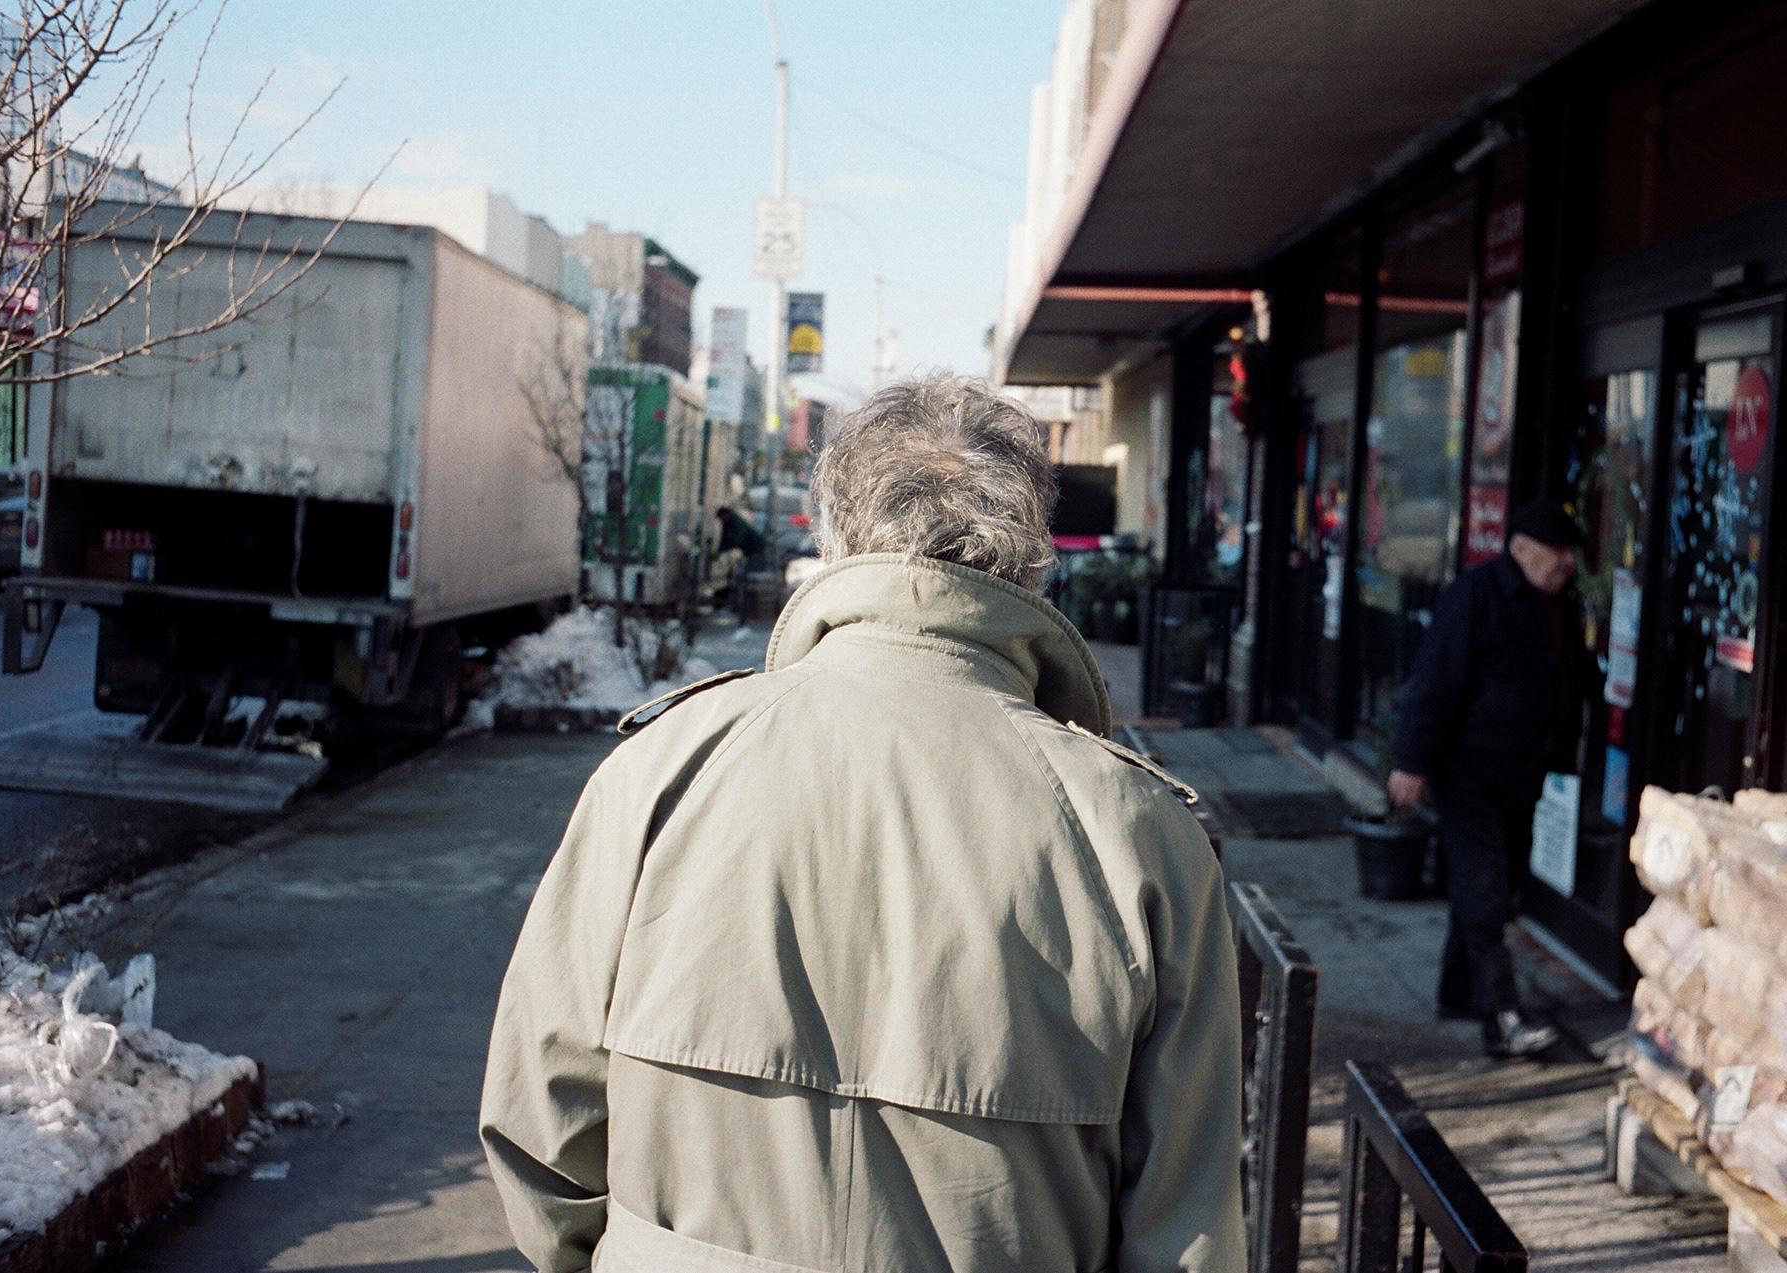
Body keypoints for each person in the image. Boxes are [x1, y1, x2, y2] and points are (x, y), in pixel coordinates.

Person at [482, 373, 1246, 1273]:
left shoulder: (662, 770)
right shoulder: (1138, 831)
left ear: (834, 537)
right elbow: (1186, 1230)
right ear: (1032, 559)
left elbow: (540, 1116)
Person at [1386, 502, 1586, 1058]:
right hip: (1468, 772)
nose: (1566, 564)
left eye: (1571, 554)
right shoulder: (1475, 598)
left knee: (1490, 889)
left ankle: (1457, 993)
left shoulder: (1557, 605)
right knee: (1485, 892)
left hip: (1520, 775)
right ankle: (1501, 1017)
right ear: (1520, 547)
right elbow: (1433, 684)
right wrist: (1410, 764)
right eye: (1556, 552)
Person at [714, 505, 768, 616]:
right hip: (748, 551)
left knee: (749, 576)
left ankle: (746, 607)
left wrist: (724, 548)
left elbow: (737, 539)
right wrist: (720, 550)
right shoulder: (728, 523)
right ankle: (741, 605)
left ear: (726, 515)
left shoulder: (736, 522)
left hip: (755, 550)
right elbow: (725, 539)